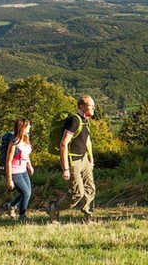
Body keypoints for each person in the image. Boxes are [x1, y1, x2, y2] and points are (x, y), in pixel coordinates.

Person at [47, 95, 96, 224]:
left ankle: (87, 216)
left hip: (83, 159)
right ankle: (53, 208)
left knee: (90, 189)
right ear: (82, 107)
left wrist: (90, 158)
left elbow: (87, 140)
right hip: (72, 161)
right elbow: (64, 144)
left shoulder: (85, 120)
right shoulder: (74, 120)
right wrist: (66, 169)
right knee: (77, 194)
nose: (94, 108)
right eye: (91, 106)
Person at [2, 118, 34, 223]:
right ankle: (22, 216)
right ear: (23, 127)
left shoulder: (26, 138)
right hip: (15, 172)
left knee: (27, 192)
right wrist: (9, 179)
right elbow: (8, 161)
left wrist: (29, 165)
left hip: (23, 170)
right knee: (26, 193)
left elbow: (26, 153)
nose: (30, 127)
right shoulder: (14, 142)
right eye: (28, 125)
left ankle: (10, 205)